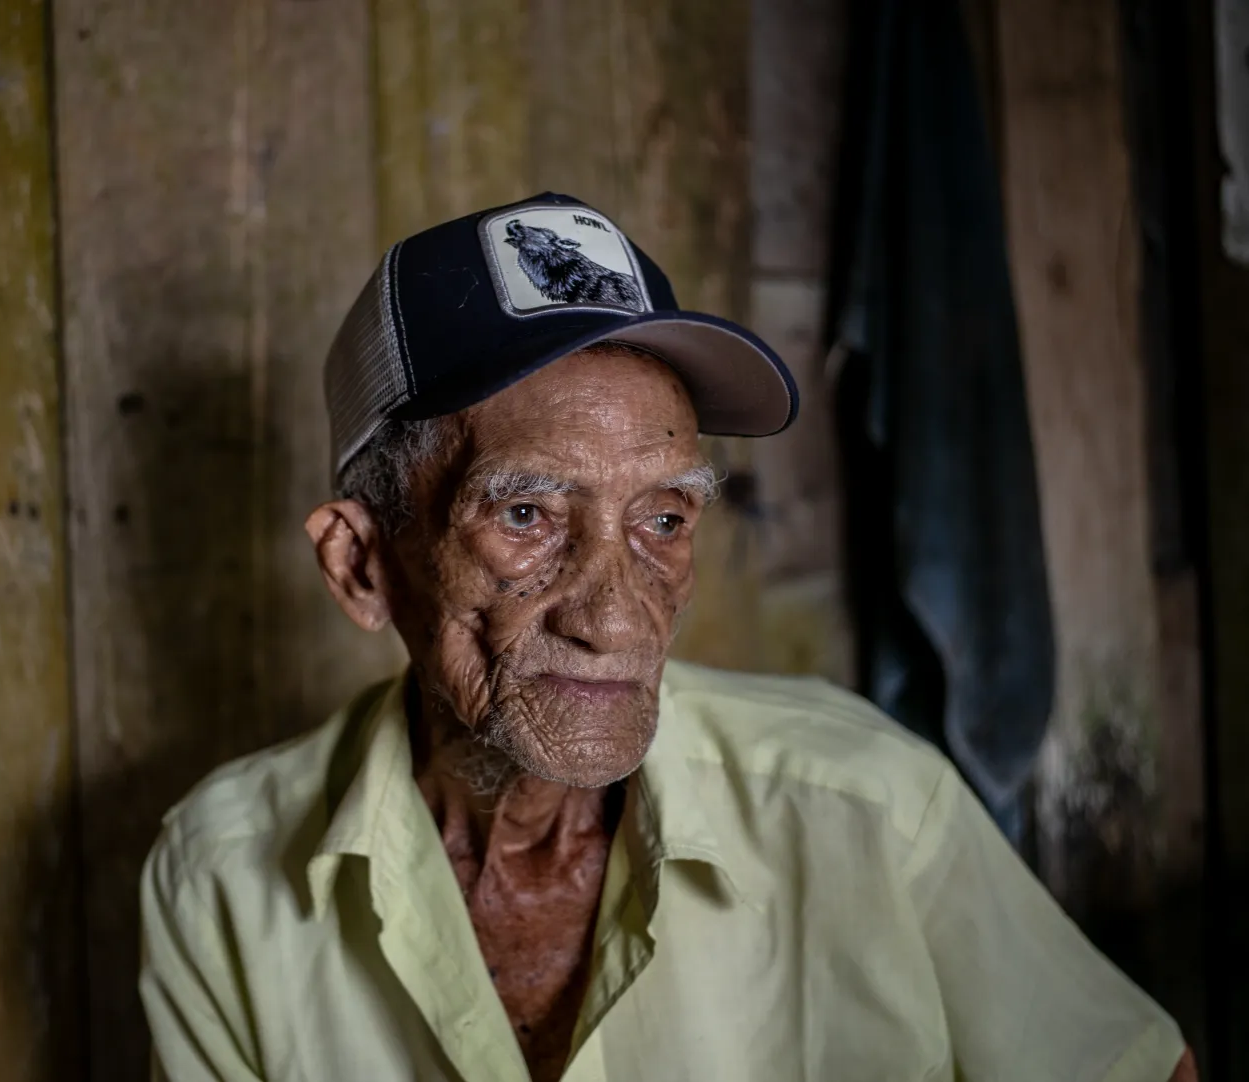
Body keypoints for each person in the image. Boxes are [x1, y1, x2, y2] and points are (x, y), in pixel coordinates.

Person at [138, 193, 1195, 1082]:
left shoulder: (868, 807)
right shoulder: (224, 879)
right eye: (526, 515)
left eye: (664, 520)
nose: (615, 616)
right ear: (363, 564)